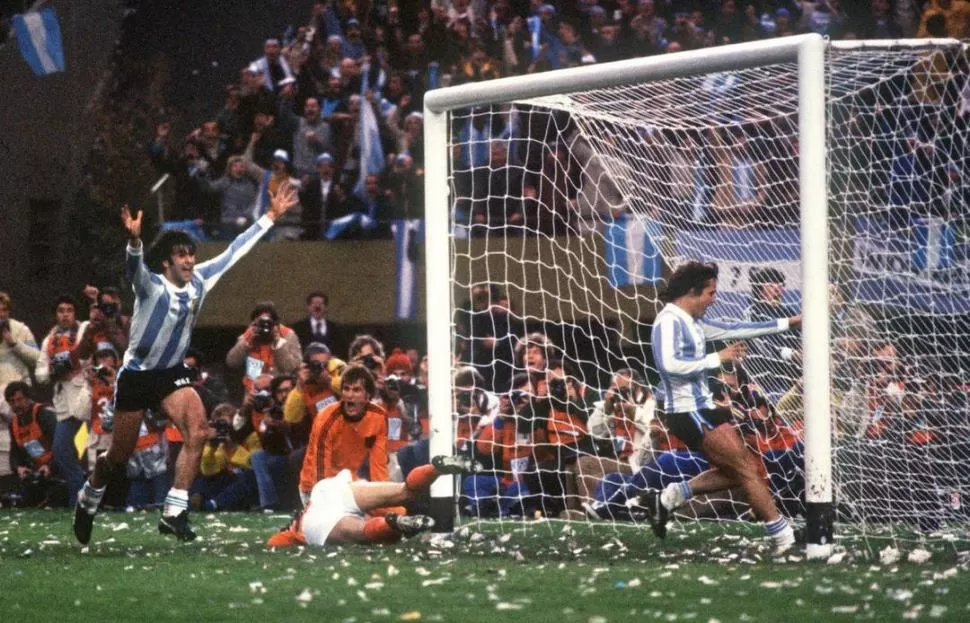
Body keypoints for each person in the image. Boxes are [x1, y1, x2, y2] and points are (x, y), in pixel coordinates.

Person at [72, 184, 299, 545]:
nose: (190, 260)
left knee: (198, 431)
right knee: (117, 456)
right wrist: (134, 241)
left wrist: (270, 217)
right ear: (167, 262)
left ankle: (174, 511)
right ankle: (88, 499)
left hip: (172, 373)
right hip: (137, 376)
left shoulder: (201, 280)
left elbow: (234, 250)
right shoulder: (151, 287)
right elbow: (134, 270)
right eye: (182, 255)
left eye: (192, 254)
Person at [638, 260, 801, 556]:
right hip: (687, 411)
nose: (715, 299)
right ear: (692, 292)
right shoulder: (668, 321)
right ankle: (784, 537)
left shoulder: (693, 322)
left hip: (703, 407)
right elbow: (669, 365)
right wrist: (718, 358)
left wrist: (789, 322)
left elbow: (738, 327)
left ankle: (671, 496)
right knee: (747, 469)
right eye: (711, 293)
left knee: (741, 468)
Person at [267, 454, 480, 547]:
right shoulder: (318, 497)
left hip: (316, 524)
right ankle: (436, 468)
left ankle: (393, 524)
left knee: (363, 532)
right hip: (329, 488)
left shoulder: (298, 530)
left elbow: (274, 542)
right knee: (405, 491)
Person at [298, 364, 389, 504]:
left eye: (357, 390)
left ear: (367, 396)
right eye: (346, 389)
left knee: (395, 512)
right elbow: (321, 475)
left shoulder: (379, 417)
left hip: (349, 483)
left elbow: (379, 467)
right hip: (315, 487)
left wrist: (383, 499)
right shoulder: (326, 419)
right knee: (340, 522)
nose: (350, 395)